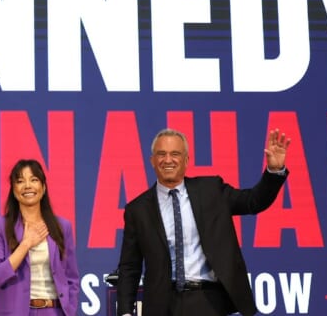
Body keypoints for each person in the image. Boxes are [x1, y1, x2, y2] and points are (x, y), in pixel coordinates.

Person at [116, 128, 291, 316]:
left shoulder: (211, 190)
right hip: (161, 305)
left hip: (208, 300)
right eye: (161, 154)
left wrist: (273, 171)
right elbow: (129, 266)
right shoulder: (137, 209)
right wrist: (125, 312)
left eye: (175, 154)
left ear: (186, 160)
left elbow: (253, 201)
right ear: (152, 161)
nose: (168, 160)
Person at [0, 159, 80, 316]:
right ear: (14, 190)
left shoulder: (62, 227)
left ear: (43, 188)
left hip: (54, 311)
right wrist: (26, 244)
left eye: (34, 180)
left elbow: (72, 278)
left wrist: (69, 310)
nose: (28, 186)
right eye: (20, 181)